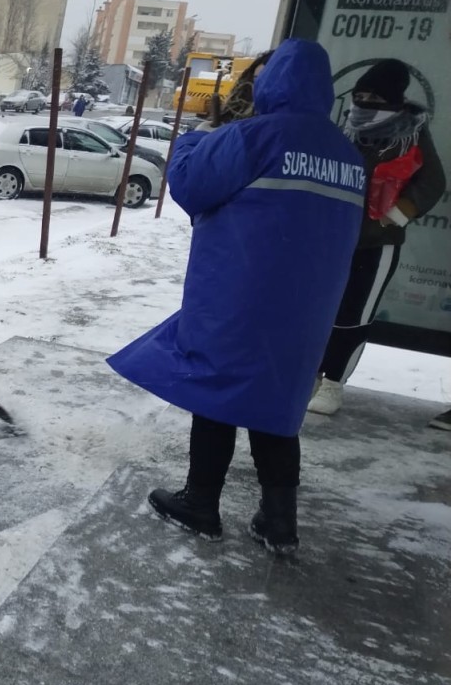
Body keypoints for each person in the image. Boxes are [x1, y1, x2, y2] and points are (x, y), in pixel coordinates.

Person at [106, 39, 366, 555]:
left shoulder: (254, 136)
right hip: (306, 309)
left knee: (217, 391)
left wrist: (197, 135)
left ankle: (200, 502)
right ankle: (279, 522)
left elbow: (188, 185)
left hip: (239, 295)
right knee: (276, 404)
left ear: (271, 83)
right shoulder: (347, 155)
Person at [307, 59, 446, 416]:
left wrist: (393, 217)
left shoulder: (410, 133)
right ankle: (313, 375)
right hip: (335, 241)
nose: (364, 102)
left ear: (393, 100)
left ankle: (335, 384)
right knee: (323, 311)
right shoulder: (346, 128)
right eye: (360, 94)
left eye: (374, 96)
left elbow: (432, 182)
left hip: (376, 245)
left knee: (354, 315)